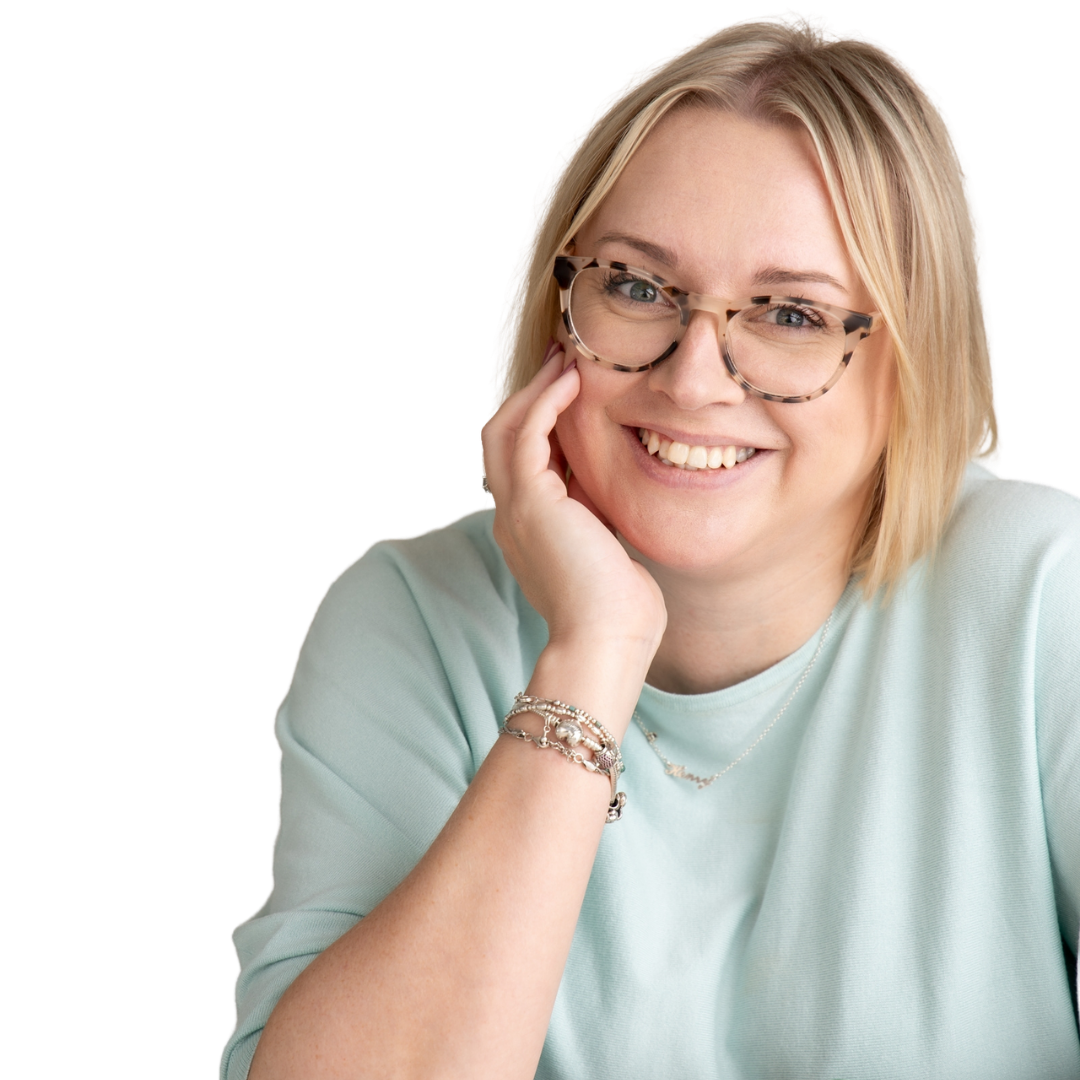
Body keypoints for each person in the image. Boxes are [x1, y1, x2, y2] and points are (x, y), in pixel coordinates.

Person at [221, 13, 1080, 1079]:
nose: (693, 376)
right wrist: (593, 652)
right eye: (635, 286)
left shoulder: (1050, 593)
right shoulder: (409, 615)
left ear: (910, 357)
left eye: (793, 316)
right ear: (556, 308)